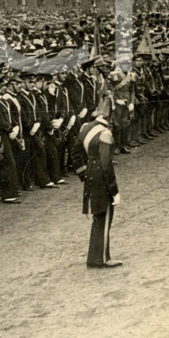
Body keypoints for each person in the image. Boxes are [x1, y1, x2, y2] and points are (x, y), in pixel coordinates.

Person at [71, 94, 122, 269]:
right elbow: (106, 165)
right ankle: (103, 258)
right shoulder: (105, 133)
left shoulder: (86, 127)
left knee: (97, 218)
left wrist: (84, 174)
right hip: (101, 177)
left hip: (90, 175)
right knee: (105, 217)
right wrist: (114, 191)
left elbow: (75, 154)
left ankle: (94, 257)